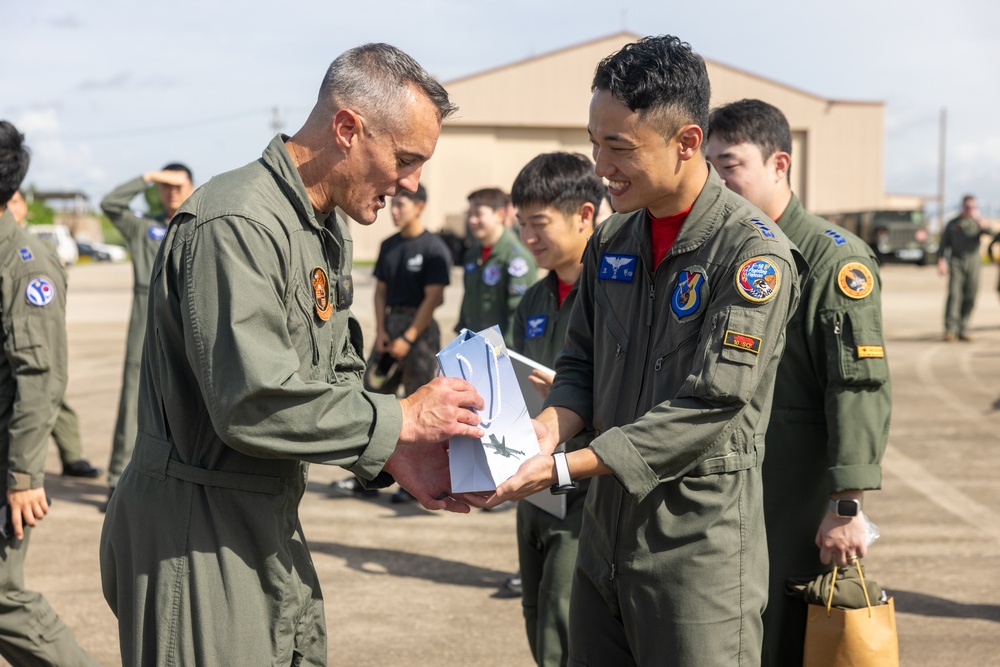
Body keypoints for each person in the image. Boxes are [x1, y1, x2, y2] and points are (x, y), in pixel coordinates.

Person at [99, 44, 490, 666]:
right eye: (406, 159)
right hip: (197, 531)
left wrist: (394, 456)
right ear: (346, 129)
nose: (412, 184)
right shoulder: (238, 223)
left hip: (264, 515)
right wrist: (402, 420)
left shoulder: (319, 225)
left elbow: (332, 374)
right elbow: (252, 402)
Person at [487, 35, 803, 665]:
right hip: (603, 542)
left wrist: (560, 469)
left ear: (687, 142)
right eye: (595, 142)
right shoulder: (614, 241)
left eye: (620, 148)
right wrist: (551, 426)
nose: (601, 165)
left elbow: (710, 407)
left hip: (694, 556)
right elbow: (580, 361)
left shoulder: (751, 255)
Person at [706, 98, 892, 666]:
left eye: (731, 164)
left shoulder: (834, 262)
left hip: (795, 494)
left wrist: (845, 506)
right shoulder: (727, 251)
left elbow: (857, 387)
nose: (719, 180)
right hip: (731, 489)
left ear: (779, 164)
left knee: (790, 637)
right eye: (710, 166)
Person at [0, 120, 102, 666]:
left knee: (2, 600)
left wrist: (21, 478)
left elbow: (39, 380)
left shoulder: (24, 267)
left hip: (3, 462)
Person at [509, 152, 604, 666]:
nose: (528, 237)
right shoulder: (535, 300)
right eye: (521, 224)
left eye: (538, 223)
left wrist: (571, 399)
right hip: (536, 484)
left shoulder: (615, 292)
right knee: (536, 610)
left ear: (584, 215)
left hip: (587, 487)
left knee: (566, 622)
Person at [331, 183, 452, 504]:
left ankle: (414, 482)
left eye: (402, 205)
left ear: (420, 206)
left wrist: (409, 337)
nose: (394, 210)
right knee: (372, 394)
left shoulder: (433, 247)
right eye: (393, 204)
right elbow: (380, 290)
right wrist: (383, 331)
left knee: (419, 400)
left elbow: (433, 296)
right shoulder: (389, 245)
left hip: (420, 331)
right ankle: (366, 475)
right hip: (391, 326)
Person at [100, 163, 194, 507]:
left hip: (186, 315)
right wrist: (149, 176)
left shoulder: (199, 224)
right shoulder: (145, 228)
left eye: (178, 185)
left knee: (184, 399)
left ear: (191, 187)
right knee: (131, 398)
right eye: (165, 186)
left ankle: (173, 482)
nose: (172, 192)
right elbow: (110, 204)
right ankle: (115, 481)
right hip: (145, 312)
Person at [7, 190, 103, 479]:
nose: (10, 208)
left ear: (26, 207)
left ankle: (72, 457)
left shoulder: (34, 249)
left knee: (47, 393)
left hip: (34, 337)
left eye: (14, 201)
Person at [456, 187, 537, 346]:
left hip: (503, 354)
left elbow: (518, 314)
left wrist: (507, 353)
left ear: (500, 215)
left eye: (478, 214)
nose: (472, 221)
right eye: (470, 215)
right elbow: (468, 299)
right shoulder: (473, 255)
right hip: (475, 347)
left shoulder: (516, 259)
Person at [937, 194, 990, 341]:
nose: (970, 210)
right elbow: (943, 244)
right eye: (967, 207)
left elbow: (991, 233)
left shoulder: (978, 223)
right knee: (954, 295)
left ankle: (964, 327)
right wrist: (941, 260)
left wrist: (981, 222)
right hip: (956, 261)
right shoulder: (953, 223)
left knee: (971, 295)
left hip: (974, 262)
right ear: (962, 207)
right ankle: (951, 330)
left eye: (972, 207)